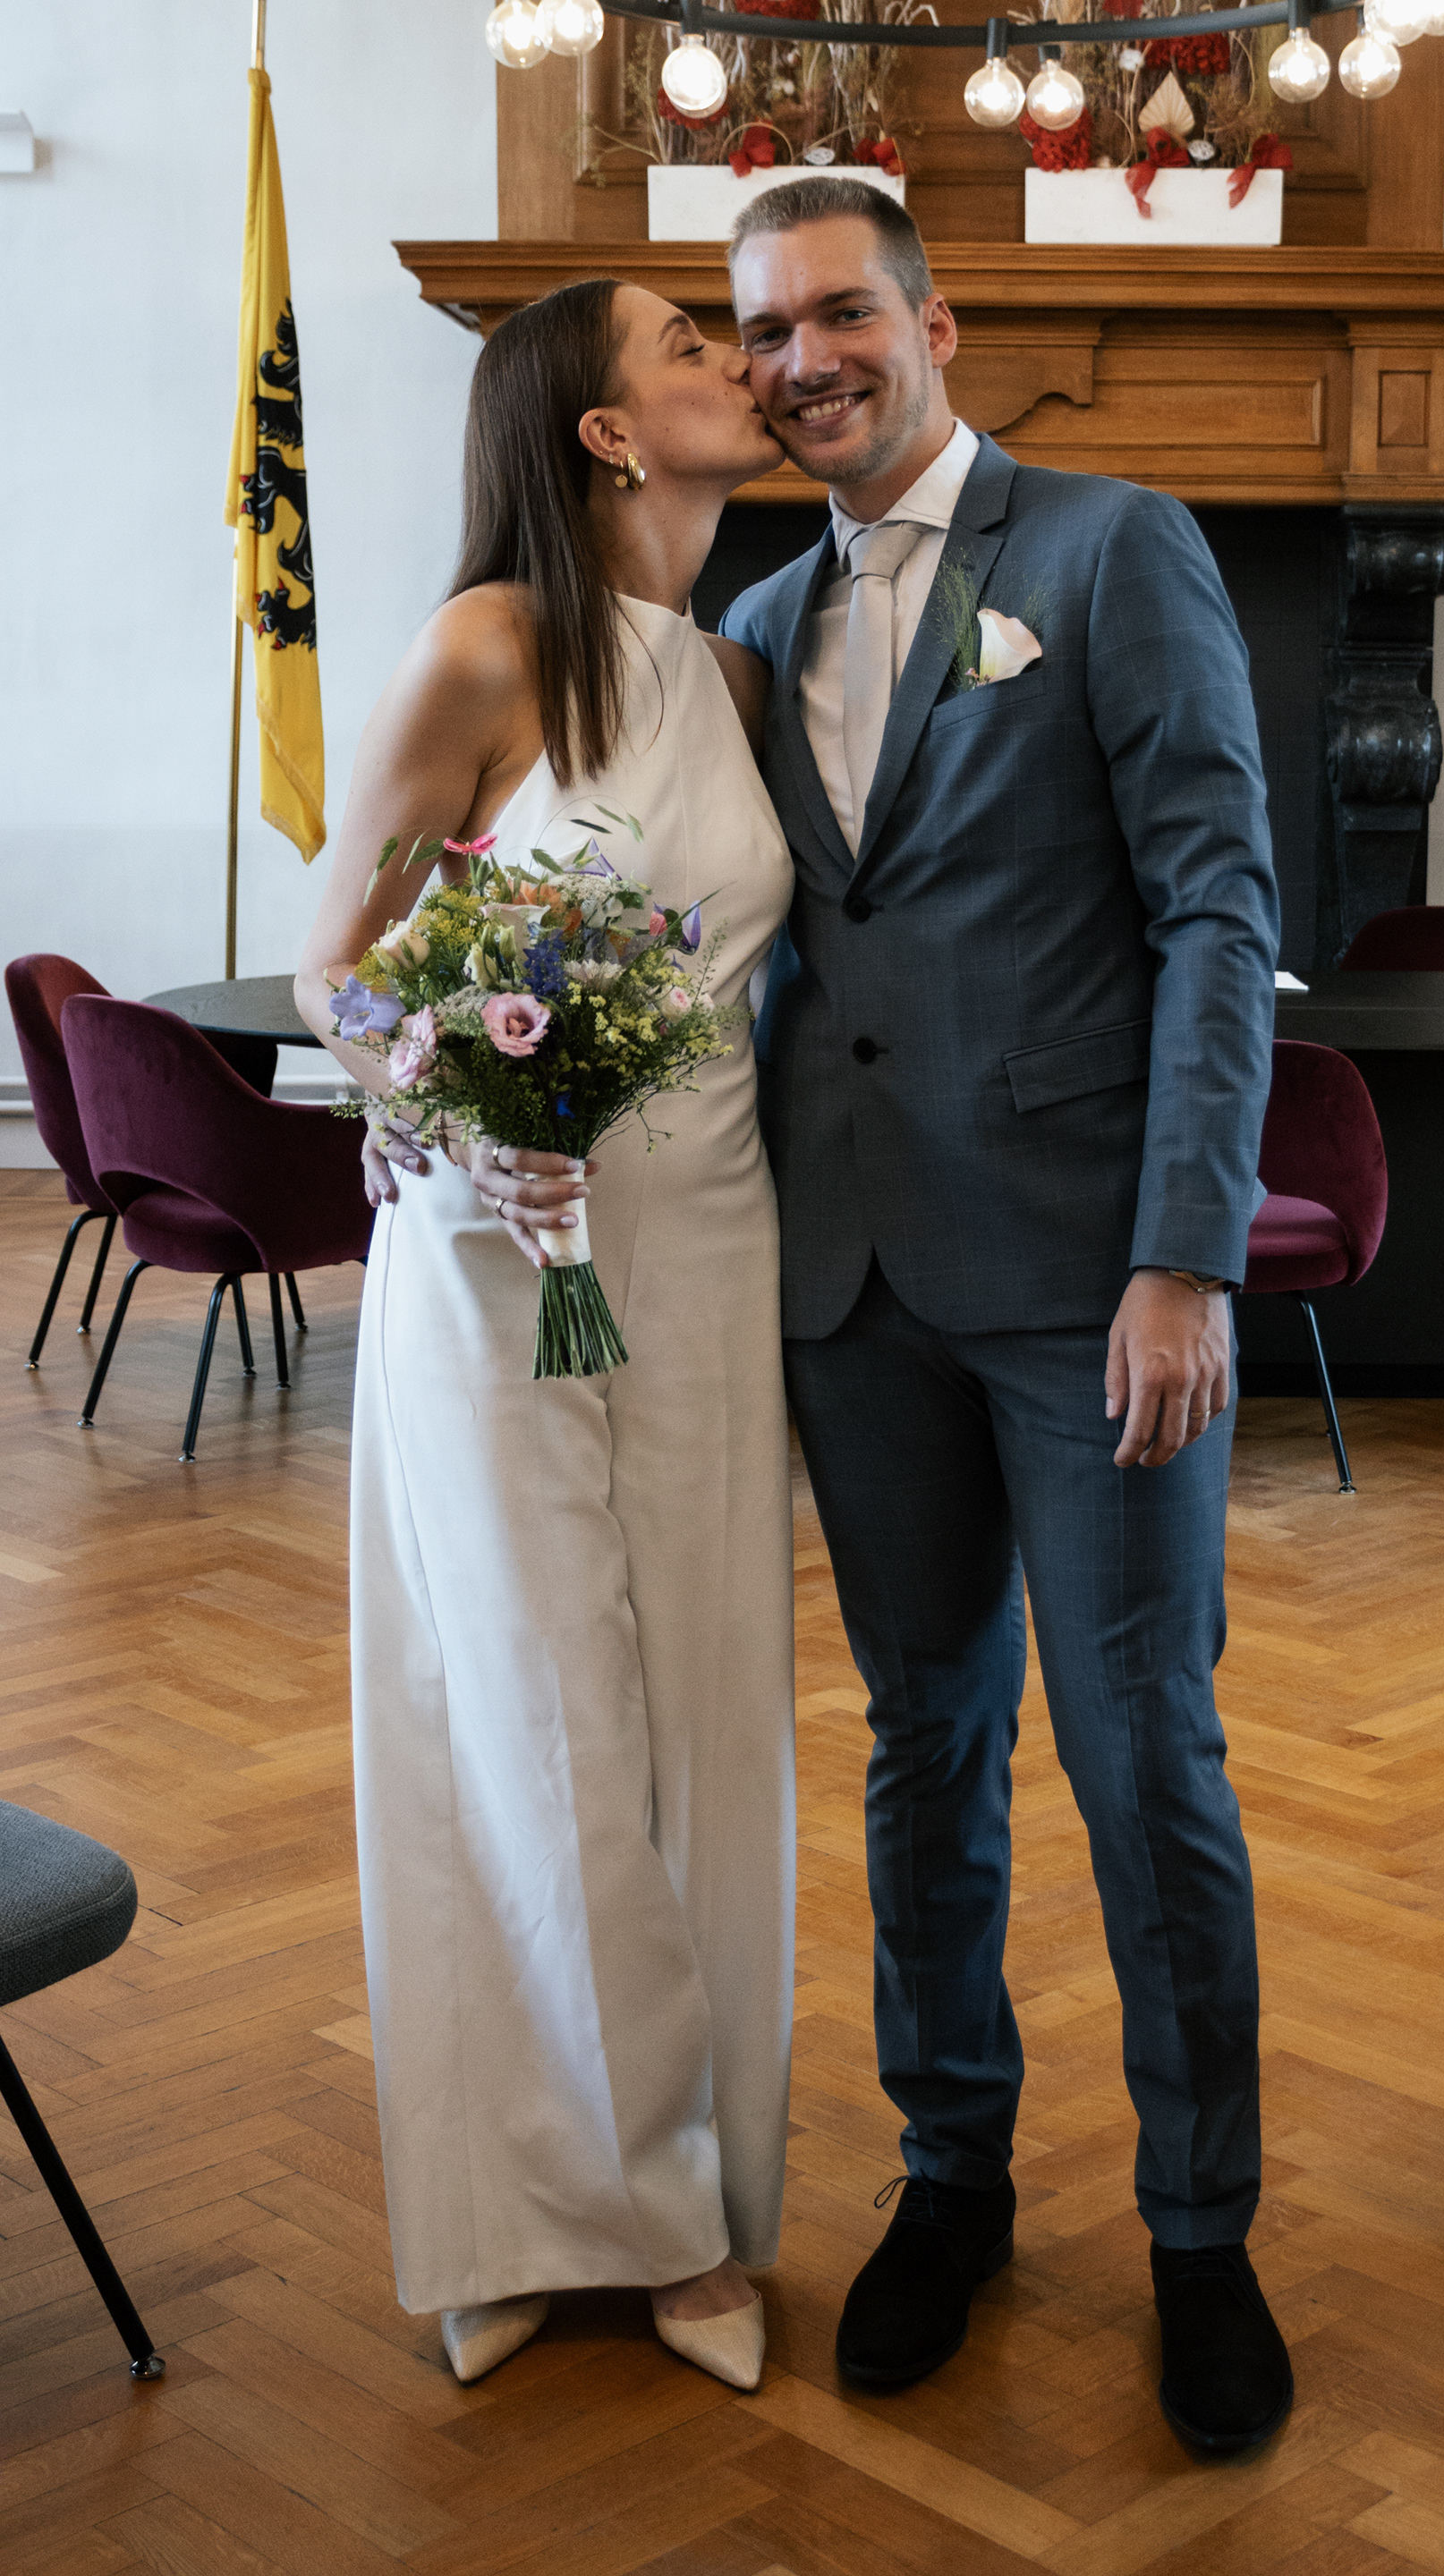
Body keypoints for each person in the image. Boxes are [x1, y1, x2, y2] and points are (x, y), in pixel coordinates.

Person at [719, 179, 1288, 2453]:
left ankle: (1201, 2232)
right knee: (921, 1744)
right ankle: (951, 2174)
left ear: (935, 324)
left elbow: (1221, 907)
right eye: (765, 331)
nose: (802, 361)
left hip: (1089, 1289)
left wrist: (1187, 1252)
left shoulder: (1113, 551)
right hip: (848, 1287)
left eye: (840, 312)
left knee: (1145, 1754)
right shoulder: (752, 621)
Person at [295, 278, 796, 2393]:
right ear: (601, 431)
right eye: (690, 345)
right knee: (524, 1709)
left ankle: (702, 2193)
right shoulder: (489, 646)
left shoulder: (739, 670)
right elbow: (337, 963)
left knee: (705, 1710)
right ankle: (544, 2210)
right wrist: (459, 1112)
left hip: (712, 1238)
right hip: (501, 1247)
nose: (738, 367)